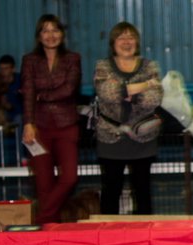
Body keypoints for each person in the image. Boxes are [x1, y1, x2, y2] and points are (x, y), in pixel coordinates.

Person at [94, 21, 163, 215]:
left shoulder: (150, 65)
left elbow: (153, 99)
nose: (126, 41)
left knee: (143, 193)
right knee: (110, 192)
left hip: (143, 139)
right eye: (121, 37)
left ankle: (144, 238)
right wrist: (144, 85)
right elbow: (107, 93)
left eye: (130, 37)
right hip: (110, 138)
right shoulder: (102, 66)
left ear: (137, 42)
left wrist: (122, 90)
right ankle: (109, 239)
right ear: (112, 42)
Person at [21, 14, 81, 223]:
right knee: (43, 184)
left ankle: (40, 219)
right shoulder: (29, 60)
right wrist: (28, 123)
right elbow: (28, 92)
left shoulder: (73, 58)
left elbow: (69, 89)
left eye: (55, 30)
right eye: (45, 30)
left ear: (62, 34)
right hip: (39, 127)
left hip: (67, 125)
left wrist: (42, 95)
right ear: (39, 36)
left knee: (70, 178)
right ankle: (49, 230)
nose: (50, 35)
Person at [0, 55, 22, 167]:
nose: (3, 72)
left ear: (13, 69)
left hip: (18, 113)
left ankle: (22, 157)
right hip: (1, 114)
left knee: (20, 120)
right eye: (1, 69)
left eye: (6, 68)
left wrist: (10, 106)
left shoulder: (21, 80)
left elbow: (26, 103)